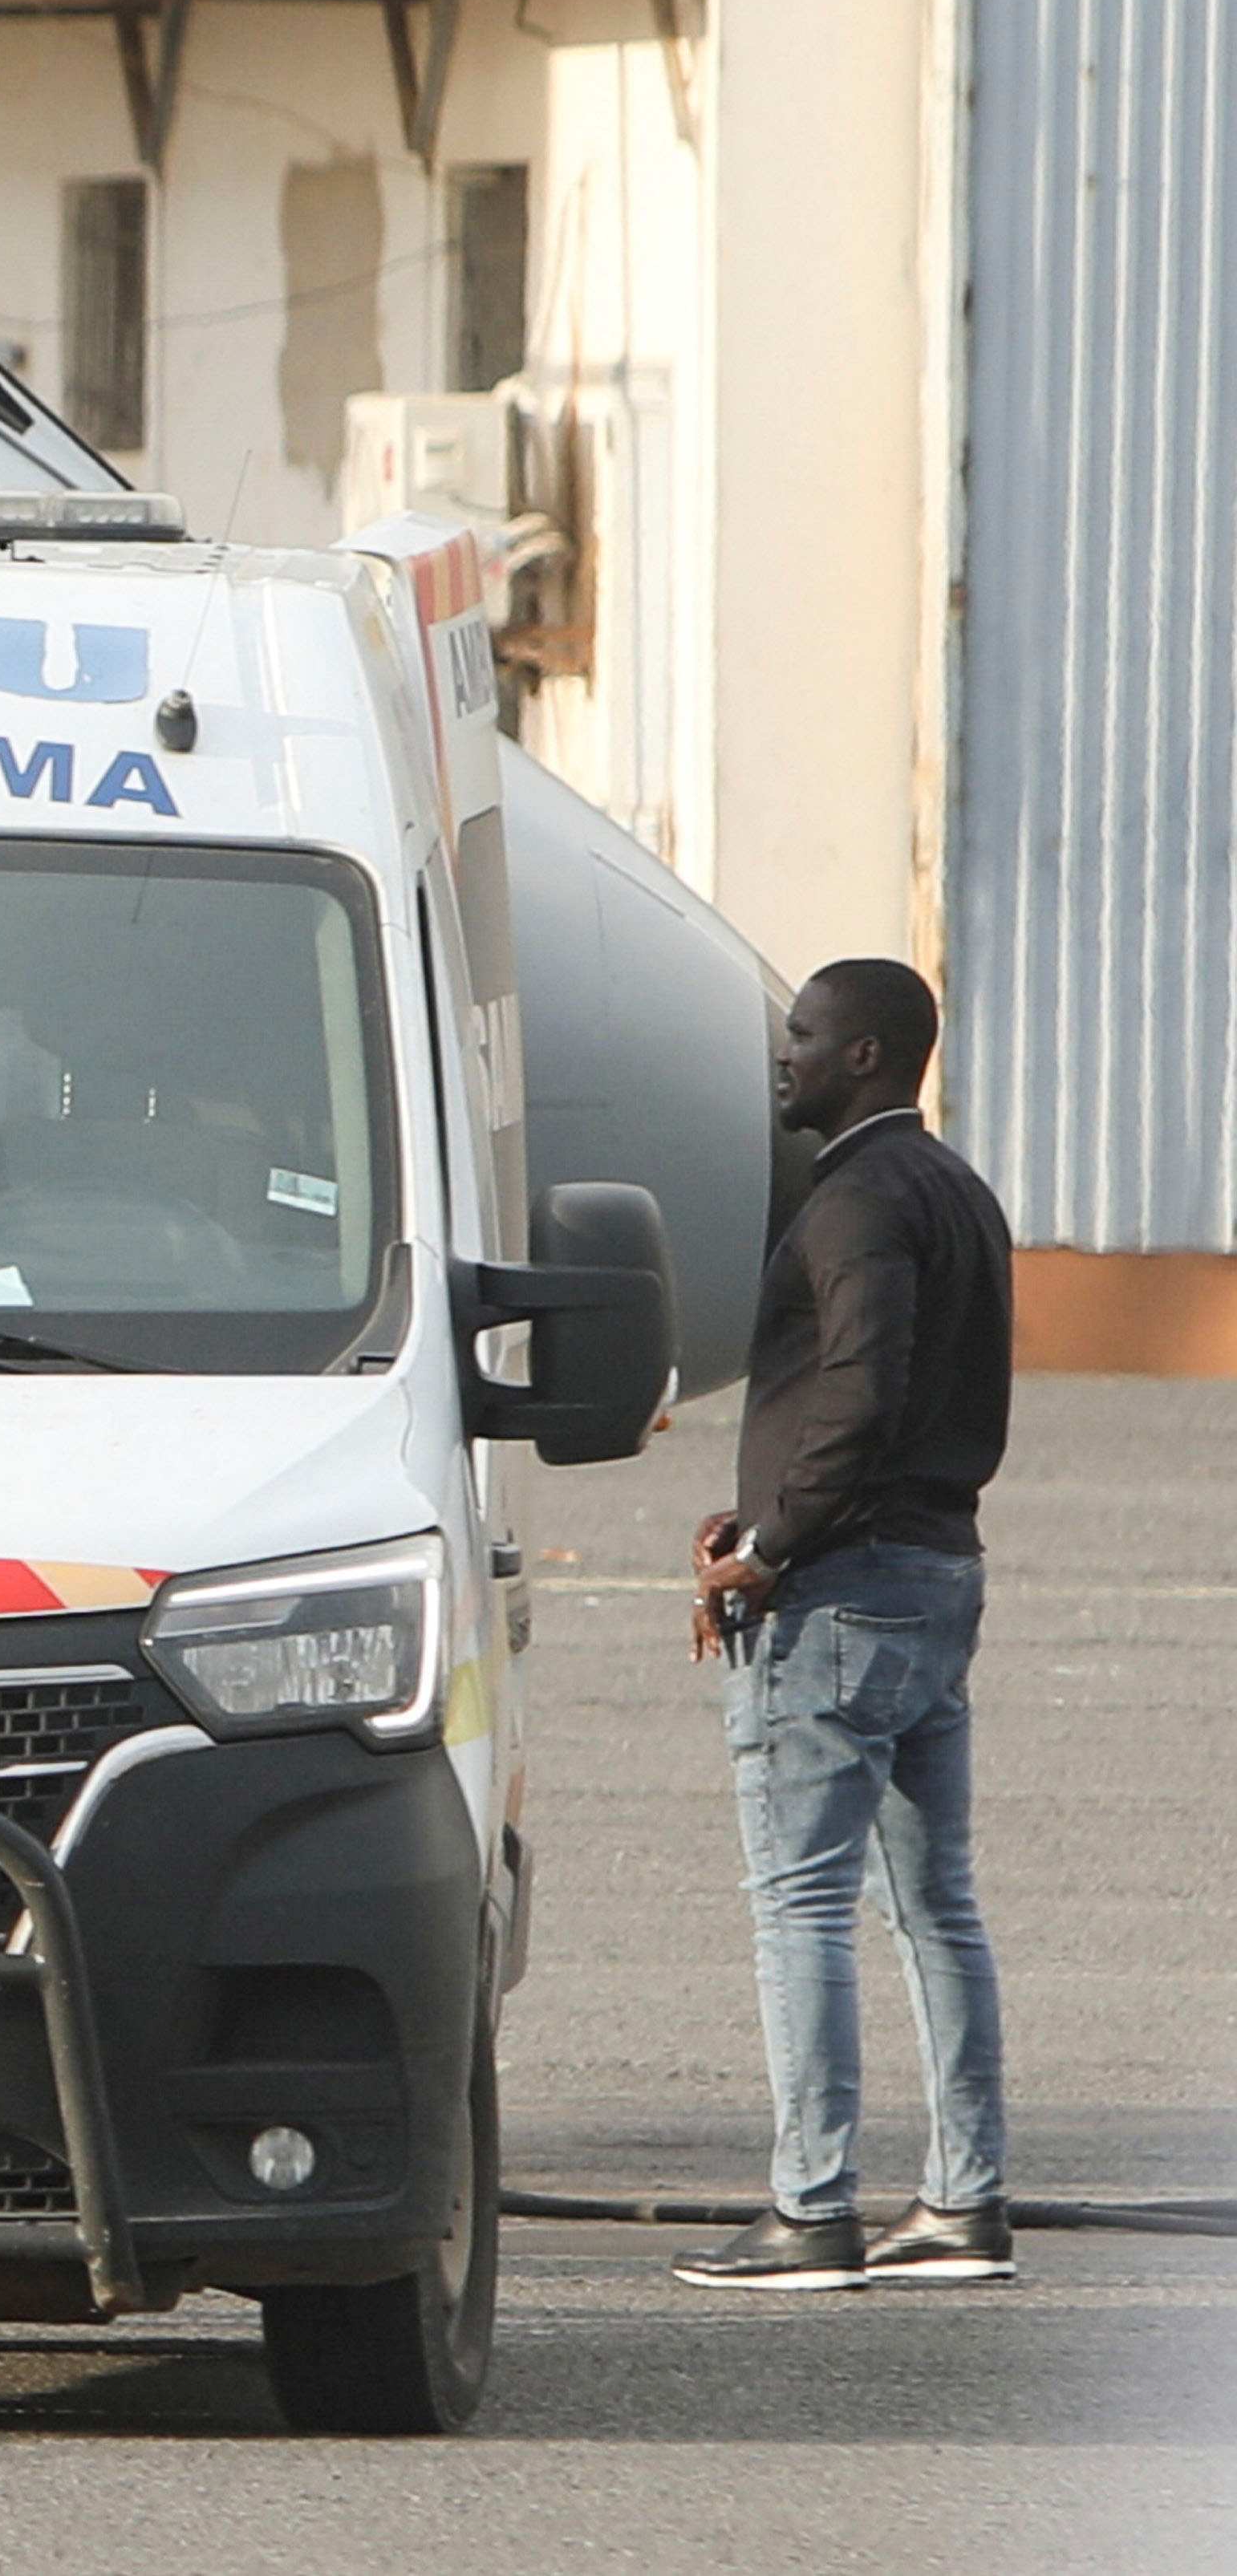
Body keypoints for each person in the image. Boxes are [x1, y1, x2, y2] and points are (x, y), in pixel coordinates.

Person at [675, 958, 1020, 2294]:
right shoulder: (960, 1192)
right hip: (938, 1572)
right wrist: (761, 1506)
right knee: (937, 1900)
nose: (784, 1054)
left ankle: (811, 2208)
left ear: (866, 1054)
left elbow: (862, 1390)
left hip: (842, 1593)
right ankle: (962, 2201)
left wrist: (766, 1546)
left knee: (804, 1898)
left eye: (805, 1035)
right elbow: (894, 1399)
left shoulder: (856, 1201)